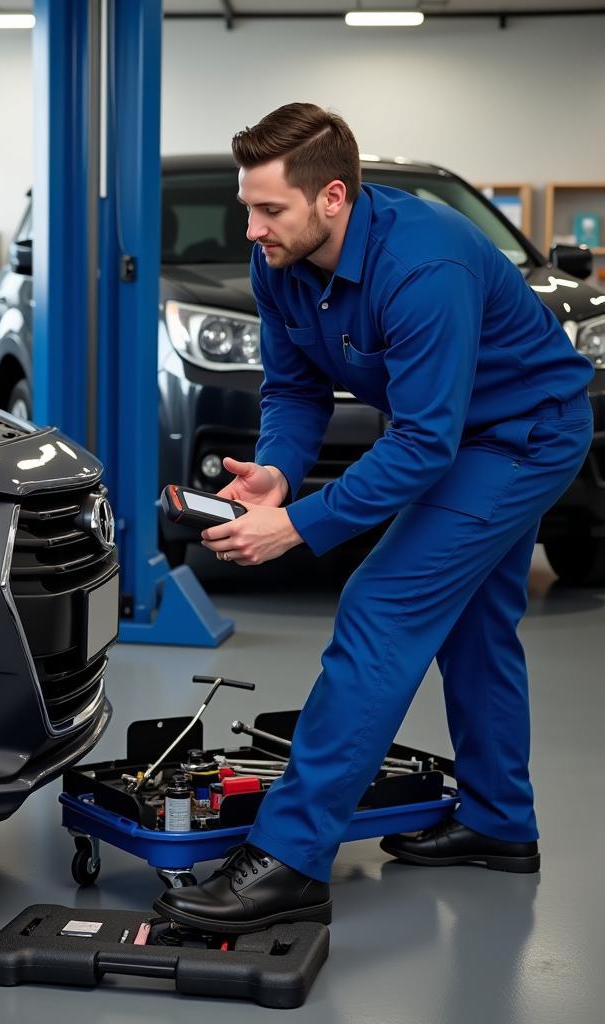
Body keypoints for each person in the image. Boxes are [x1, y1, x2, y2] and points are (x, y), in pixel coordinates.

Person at [154, 102, 594, 935]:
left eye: (268, 209)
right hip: (452, 433)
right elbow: (294, 388)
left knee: (381, 605)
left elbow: (426, 444)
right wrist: (279, 471)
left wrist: (300, 525)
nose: (251, 229)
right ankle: (501, 824)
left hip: (522, 435)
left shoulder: (424, 266)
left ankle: (290, 859)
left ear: (332, 197)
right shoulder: (279, 261)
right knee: (473, 624)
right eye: (247, 207)